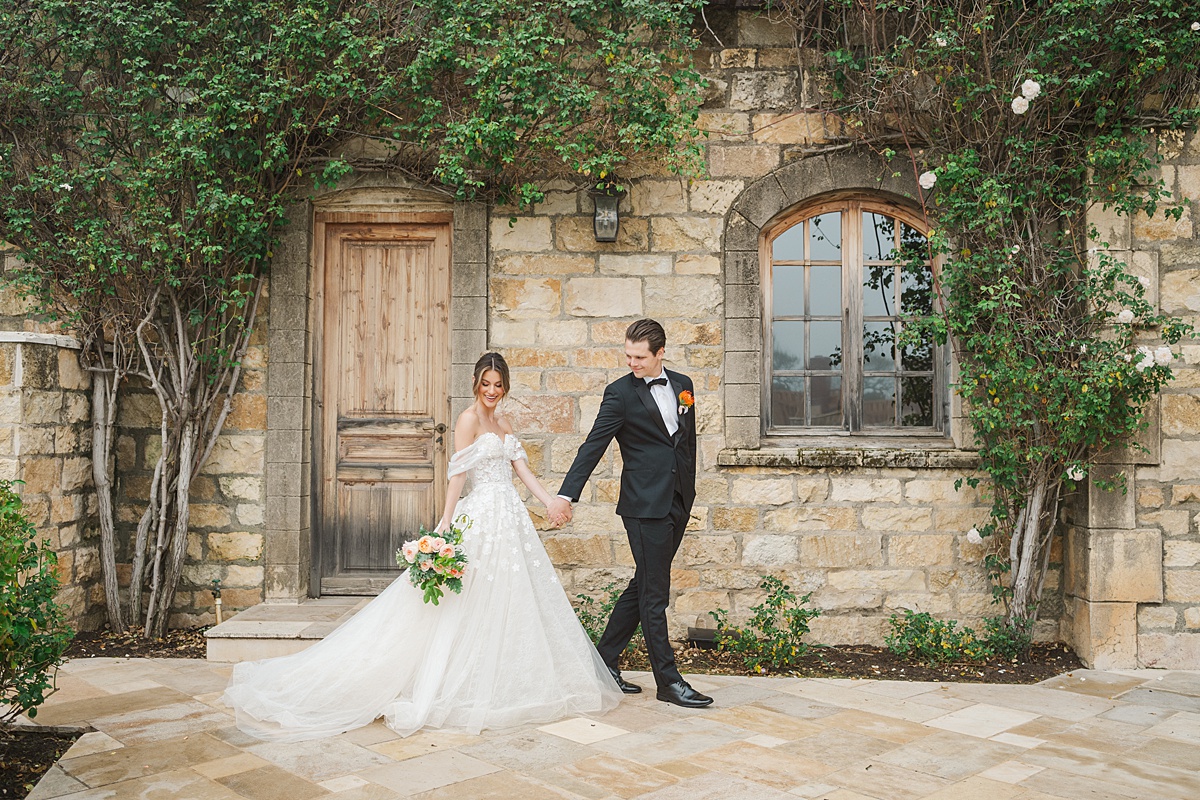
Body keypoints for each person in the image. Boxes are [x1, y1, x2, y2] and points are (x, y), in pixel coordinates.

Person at [222, 353, 621, 742]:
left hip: (510, 519)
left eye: (498, 385)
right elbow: (458, 474)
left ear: (506, 386)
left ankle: (502, 677)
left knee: (510, 597)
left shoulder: (505, 421)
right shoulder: (467, 420)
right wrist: (446, 522)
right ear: (476, 384)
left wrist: (550, 500)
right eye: (486, 384)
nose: (492, 391)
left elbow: (522, 470)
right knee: (462, 598)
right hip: (481, 516)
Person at [548, 319, 712, 708]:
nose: (632, 363)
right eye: (628, 356)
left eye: (640, 357)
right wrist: (566, 495)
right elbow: (594, 445)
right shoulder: (619, 394)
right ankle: (669, 682)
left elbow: (683, 443)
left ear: (660, 353)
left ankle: (603, 661)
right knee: (655, 593)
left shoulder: (684, 385)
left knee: (644, 583)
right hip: (643, 506)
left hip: (677, 500)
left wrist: (688, 489)